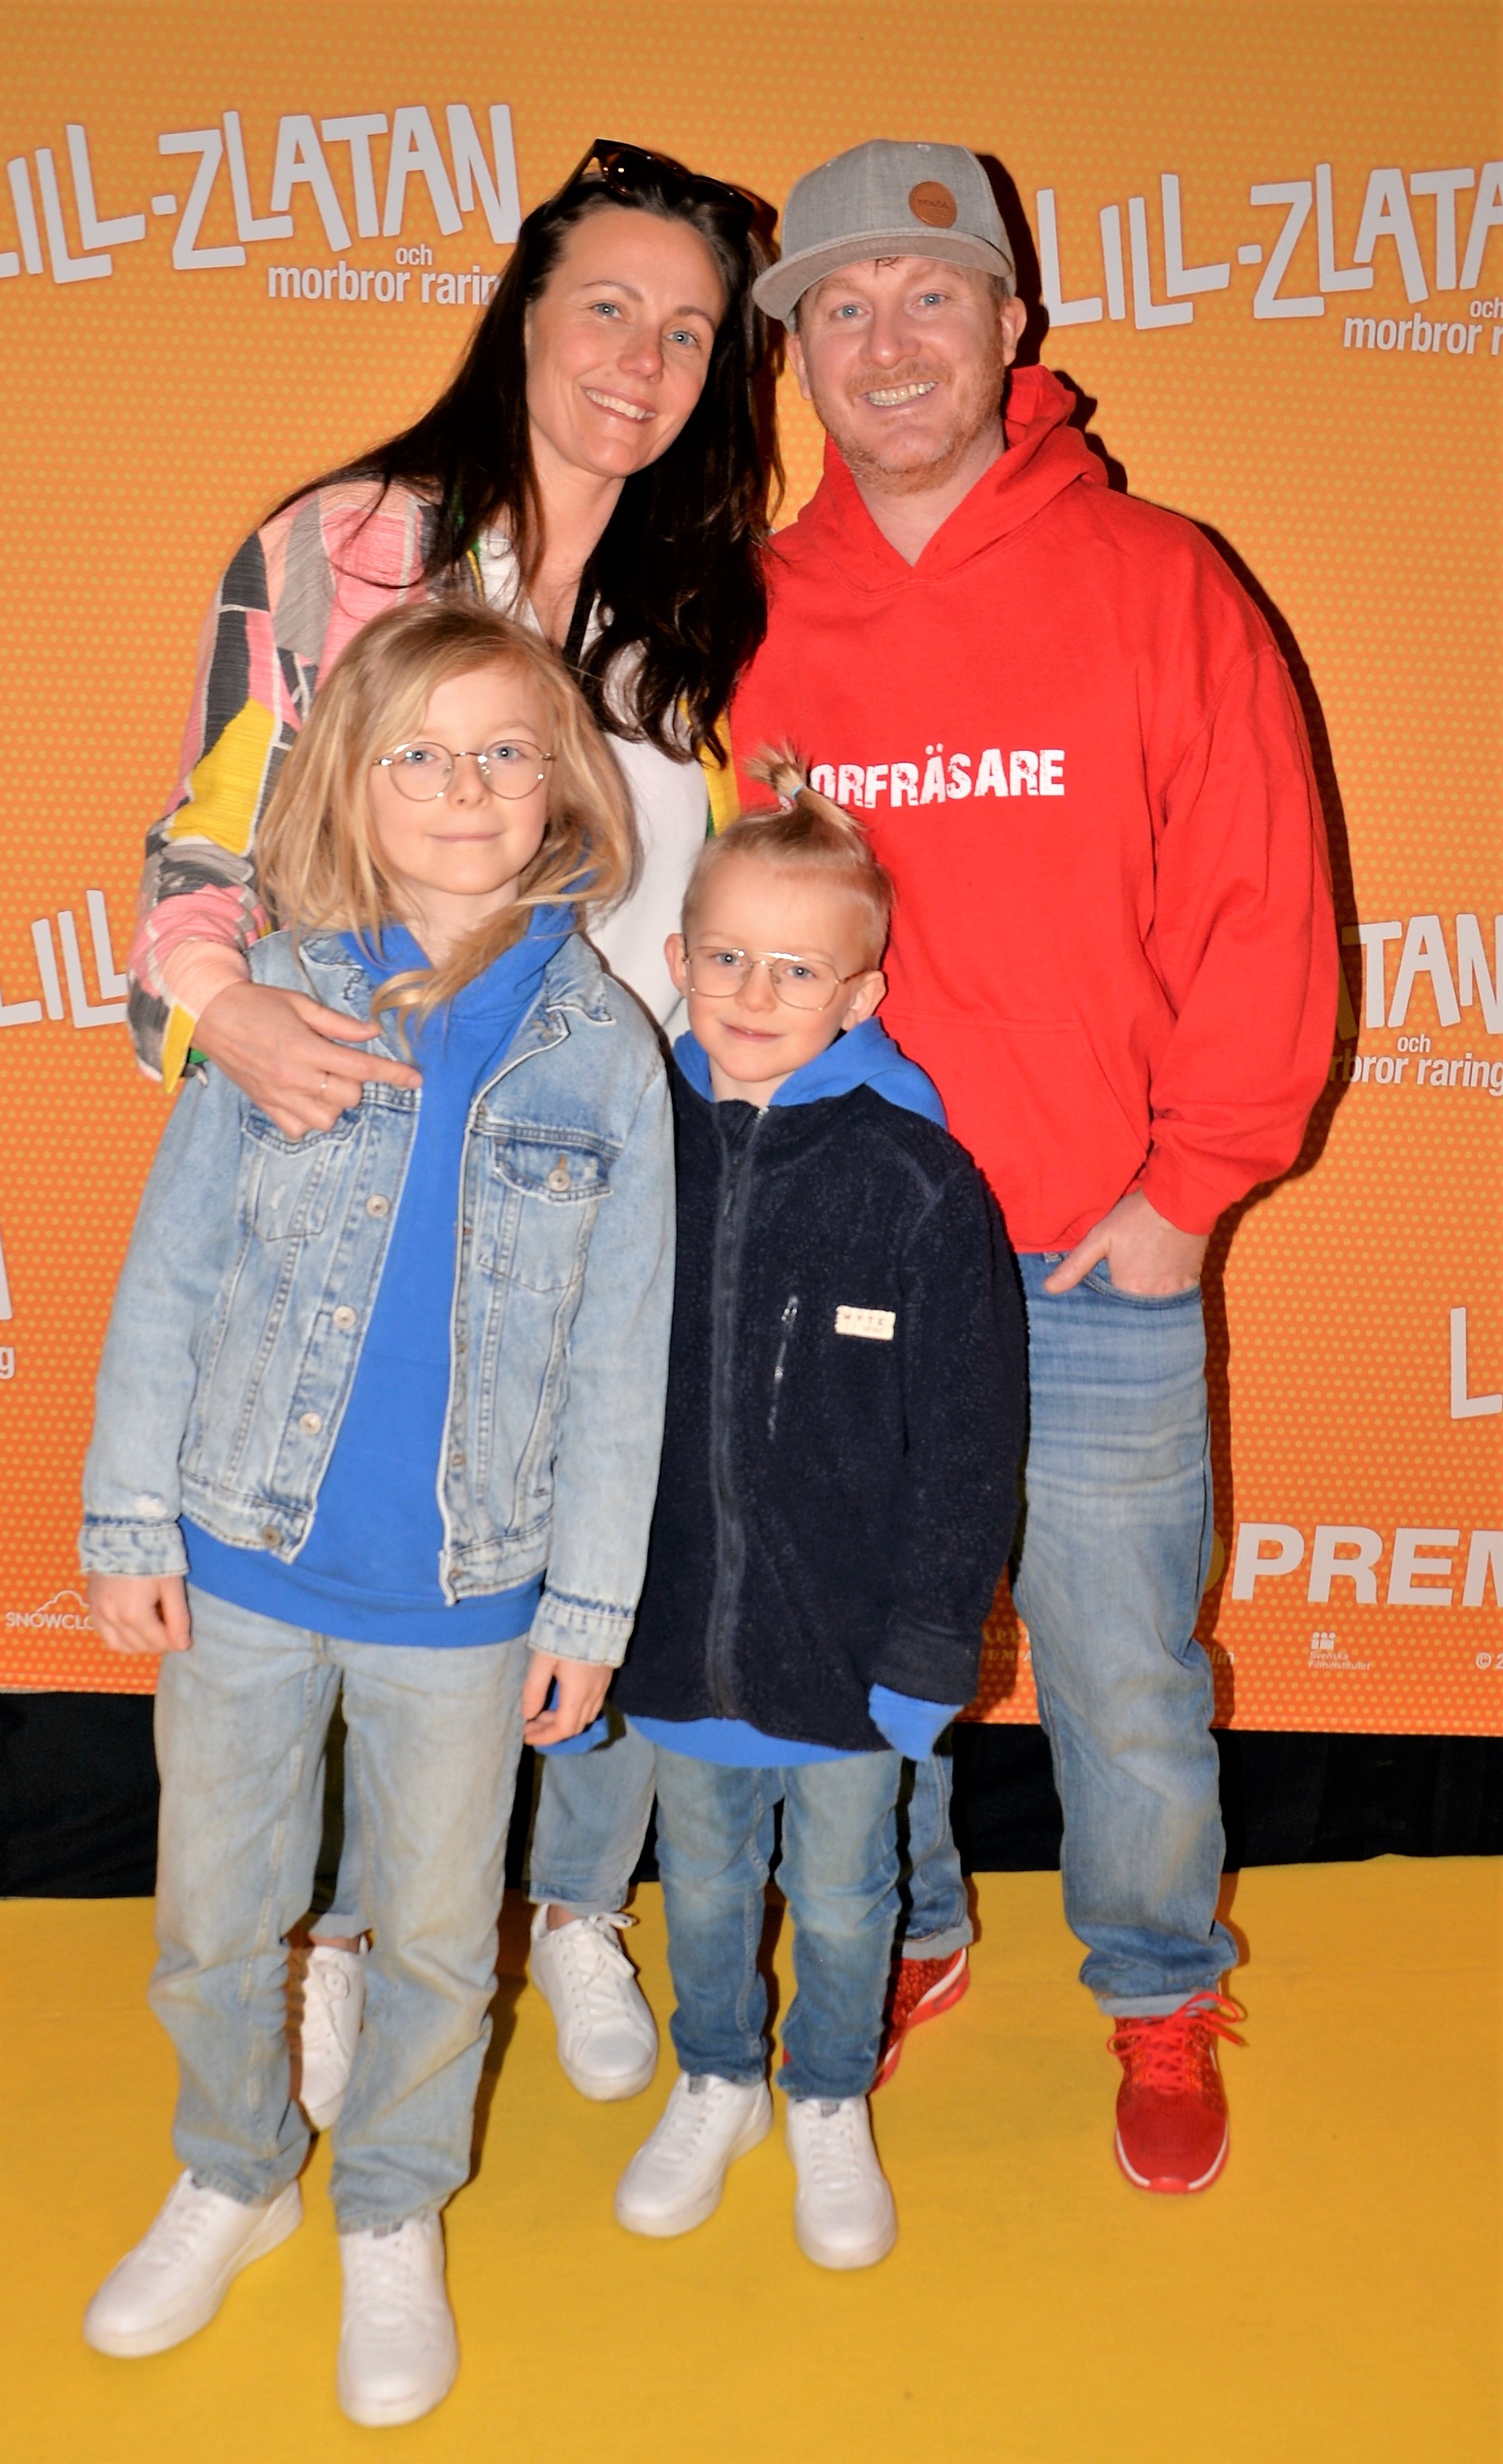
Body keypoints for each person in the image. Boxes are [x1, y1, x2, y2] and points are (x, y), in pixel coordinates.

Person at [125, 139, 781, 2124]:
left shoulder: (708, 608)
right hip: (360, 1141)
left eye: (690, 333)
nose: (644, 359)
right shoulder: (343, 544)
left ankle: (568, 1909)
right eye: (611, 308)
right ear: (525, 312)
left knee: (595, 1538)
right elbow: (201, 849)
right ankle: (340, 1946)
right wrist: (230, 1009)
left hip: (621, 1163)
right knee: (352, 1547)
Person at [728, 141, 1337, 2191]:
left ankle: (1161, 1989)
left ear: (1011, 322)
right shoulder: (752, 615)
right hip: (841, 1264)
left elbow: (1263, 902)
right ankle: (906, 1935)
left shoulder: (1160, 580)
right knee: (860, 1661)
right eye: (839, 308)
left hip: (1090, 1258)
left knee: (1125, 1678)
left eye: (929, 296)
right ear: (798, 351)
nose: (887, 342)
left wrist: (1187, 1196)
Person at [79, 601, 674, 2426]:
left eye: (506, 752)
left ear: (565, 784)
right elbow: (172, 1272)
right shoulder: (275, 998)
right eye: (419, 753)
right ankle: (236, 2170)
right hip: (244, 1561)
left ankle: (393, 2208)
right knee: (215, 1918)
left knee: (429, 1942)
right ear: (349, 781)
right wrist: (130, 1519)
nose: (464, 788)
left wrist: (588, 1607)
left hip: (468, 1599)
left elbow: (622, 1358)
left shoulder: (607, 1050)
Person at [610, 774, 1025, 2267]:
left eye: (798, 970)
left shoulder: (919, 1183)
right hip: (673, 1636)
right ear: (677, 959)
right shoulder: (631, 1145)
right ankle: (717, 2077)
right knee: (704, 1885)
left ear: (862, 994)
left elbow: (970, 1442)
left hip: (849, 1656)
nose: (754, 993)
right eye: (727, 956)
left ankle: (831, 2093)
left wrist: (929, 1644)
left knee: (848, 1898)